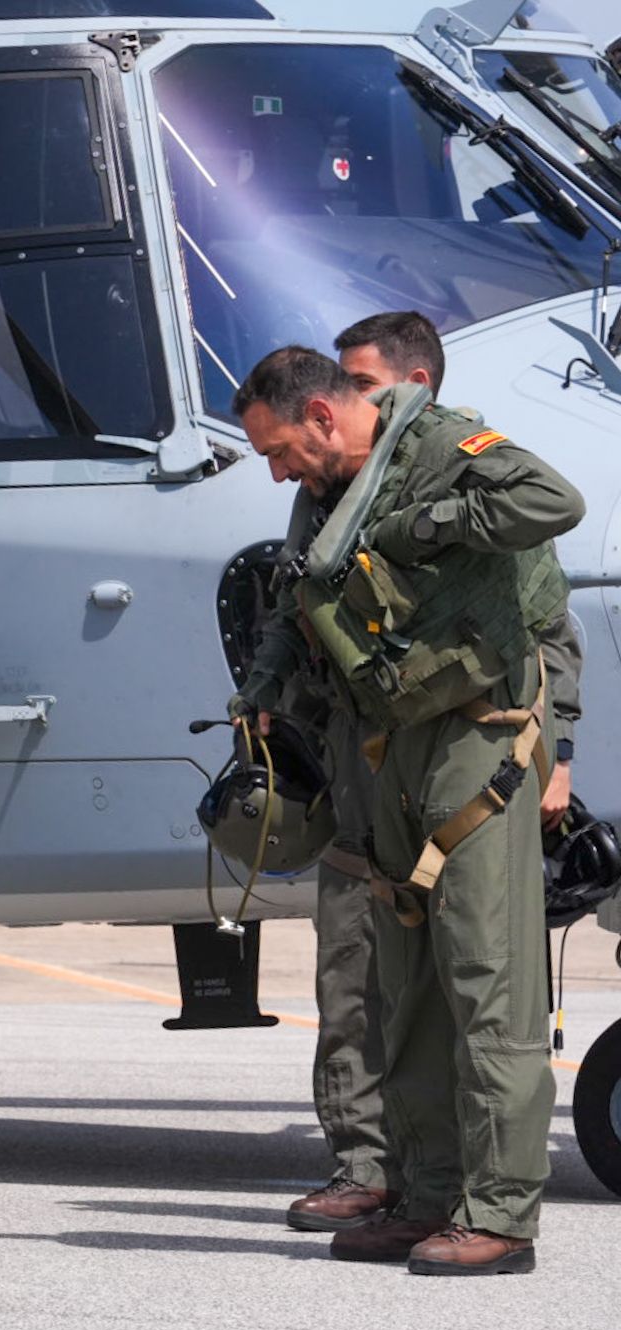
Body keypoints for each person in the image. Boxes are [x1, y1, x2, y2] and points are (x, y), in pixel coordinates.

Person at [231, 346, 582, 1275]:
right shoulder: (327, 494)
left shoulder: (439, 447)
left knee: (487, 978)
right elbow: (302, 596)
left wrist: (431, 523)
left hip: (477, 738)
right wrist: (263, 688)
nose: (278, 473)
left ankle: (500, 1214)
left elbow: (555, 502)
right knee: (410, 987)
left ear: (321, 414)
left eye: (279, 450)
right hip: (387, 745)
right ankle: (427, 1196)